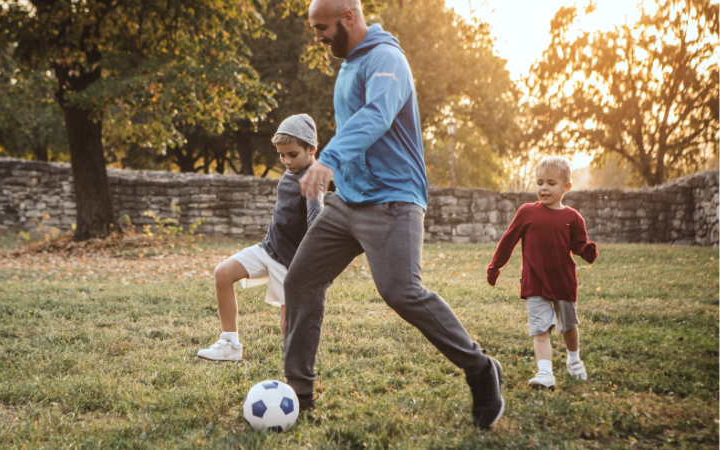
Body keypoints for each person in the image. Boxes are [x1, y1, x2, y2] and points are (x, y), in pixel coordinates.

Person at [283, 0, 505, 429]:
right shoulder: (349, 64)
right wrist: (338, 172)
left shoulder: (387, 58)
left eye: (322, 27)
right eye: (314, 29)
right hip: (348, 201)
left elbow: (377, 115)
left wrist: (327, 160)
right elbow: (357, 127)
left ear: (350, 17)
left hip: (393, 202)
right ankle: (299, 394)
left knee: (401, 290)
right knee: (301, 279)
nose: (317, 37)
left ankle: (480, 369)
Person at [197, 114, 324, 362]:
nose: (286, 161)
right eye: (281, 155)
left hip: (291, 262)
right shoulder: (292, 171)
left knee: (288, 322)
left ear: (312, 149)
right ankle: (229, 344)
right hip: (268, 248)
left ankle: (296, 367)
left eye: (292, 154)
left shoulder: (313, 179)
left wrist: (312, 261)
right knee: (223, 273)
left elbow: (316, 219)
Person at [486, 156, 598, 389]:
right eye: (539, 183)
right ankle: (545, 372)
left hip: (563, 282)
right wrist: (495, 266)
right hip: (534, 282)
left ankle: (574, 360)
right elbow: (508, 241)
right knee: (540, 330)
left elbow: (578, 245)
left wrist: (587, 252)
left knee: (568, 326)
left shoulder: (572, 218)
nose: (544, 188)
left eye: (551, 183)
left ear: (566, 187)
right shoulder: (526, 212)